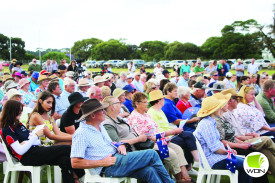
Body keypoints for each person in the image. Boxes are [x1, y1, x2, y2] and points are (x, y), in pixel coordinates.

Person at [70, 98, 174, 183]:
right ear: (93, 115)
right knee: (152, 154)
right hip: (108, 166)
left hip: (119, 157)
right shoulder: (81, 133)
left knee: (149, 171)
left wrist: (119, 145)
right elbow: (75, 163)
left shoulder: (99, 126)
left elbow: (109, 143)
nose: (104, 112)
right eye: (101, 110)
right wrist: (101, 162)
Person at [0, 100, 83, 183]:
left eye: (21, 110)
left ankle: (74, 181)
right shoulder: (7, 129)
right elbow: (20, 151)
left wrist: (27, 142)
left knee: (65, 160)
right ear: (11, 111)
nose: (21, 113)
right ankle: (83, 175)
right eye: (19, 111)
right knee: (67, 149)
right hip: (27, 157)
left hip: (35, 150)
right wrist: (34, 137)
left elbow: (37, 142)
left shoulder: (18, 124)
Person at [128, 92, 195, 183]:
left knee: (178, 149)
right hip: (148, 144)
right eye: (145, 102)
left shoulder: (146, 114)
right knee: (171, 153)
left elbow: (155, 130)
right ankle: (179, 179)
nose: (147, 104)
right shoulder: (135, 117)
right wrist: (161, 138)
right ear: (137, 103)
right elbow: (145, 137)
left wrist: (163, 138)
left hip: (158, 139)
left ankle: (185, 175)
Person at [214, 92, 275, 178]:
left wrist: (246, 138)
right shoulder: (218, 120)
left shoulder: (224, 117)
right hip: (230, 149)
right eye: (236, 99)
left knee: (265, 150)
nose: (238, 101)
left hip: (236, 144)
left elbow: (233, 136)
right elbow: (222, 141)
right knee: (262, 148)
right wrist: (241, 145)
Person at [194, 94, 252, 183]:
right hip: (213, 161)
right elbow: (215, 149)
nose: (219, 108)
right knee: (247, 165)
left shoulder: (209, 122)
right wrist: (228, 152)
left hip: (217, 158)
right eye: (218, 107)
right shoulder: (207, 124)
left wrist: (229, 151)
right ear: (213, 110)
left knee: (247, 162)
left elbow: (216, 146)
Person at [147, 90, 199, 174]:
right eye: (163, 99)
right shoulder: (152, 113)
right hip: (163, 139)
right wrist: (173, 131)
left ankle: (189, 166)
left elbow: (165, 127)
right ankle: (192, 164)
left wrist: (174, 131)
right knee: (188, 137)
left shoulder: (159, 110)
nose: (164, 100)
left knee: (188, 136)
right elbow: (157, 131)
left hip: (169, 136)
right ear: (159, 100)